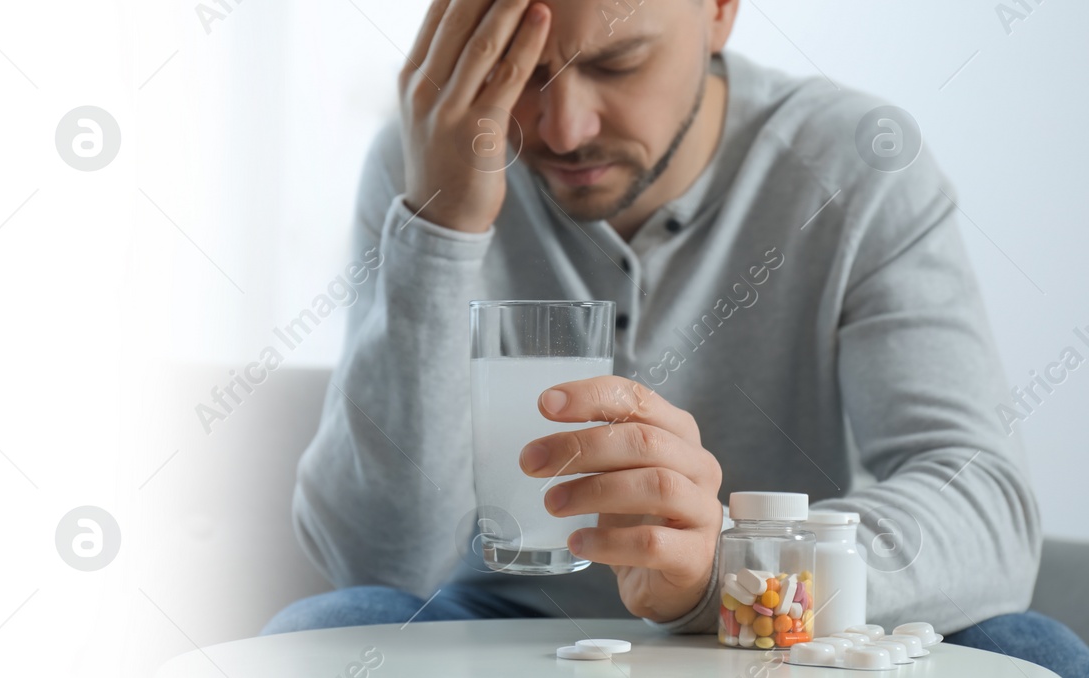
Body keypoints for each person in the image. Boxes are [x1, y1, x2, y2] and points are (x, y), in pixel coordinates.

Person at [263, 0, 1089, 674]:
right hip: (497, 613)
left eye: (616, 65)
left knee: (1034, 652)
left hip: (787, 631)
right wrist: (440, 229)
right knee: (330, 629)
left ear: (721, 12)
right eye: (519, 72)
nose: (562, 129)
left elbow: (986, 510)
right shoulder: (431, 161)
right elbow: (380, 558)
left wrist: (730, 573)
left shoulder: (855, 167)